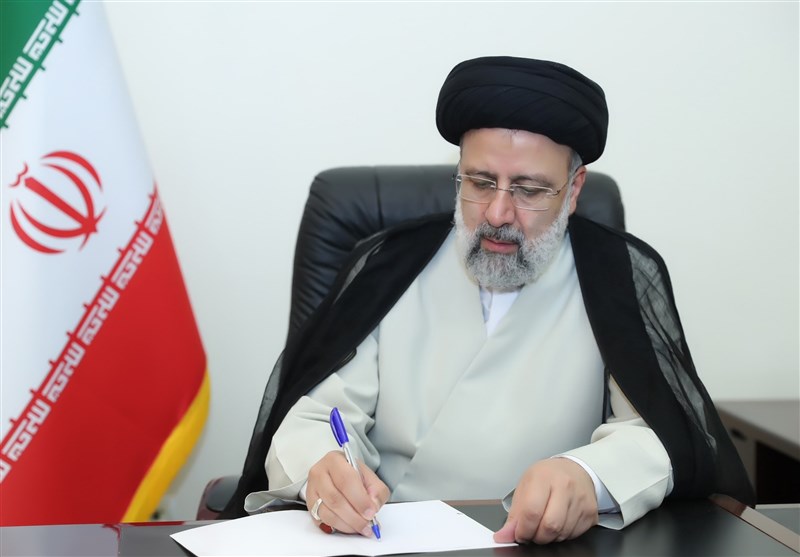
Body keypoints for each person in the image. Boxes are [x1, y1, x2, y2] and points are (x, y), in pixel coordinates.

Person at [221, 56, 754, 544]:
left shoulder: (615, 272)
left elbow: (659, 434)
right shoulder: (388, 263)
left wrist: (588, 475)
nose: (498, 214)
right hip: (385, 541)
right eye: (480, 182)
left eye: (528, 190)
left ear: (573, 190)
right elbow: (318, 416)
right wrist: (324, 469)